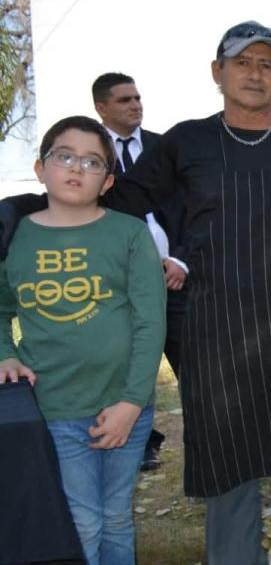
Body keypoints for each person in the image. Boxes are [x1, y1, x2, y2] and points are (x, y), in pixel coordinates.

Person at [0, 21, 271, 564]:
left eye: (267, 64)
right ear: (217, 73)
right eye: (242, 63)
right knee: (228, 472)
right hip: (217, 340)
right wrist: (22, 210)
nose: (255, 74)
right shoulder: (187, 141)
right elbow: (120, 197)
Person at [0, 115, 166, 565]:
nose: (77, 168)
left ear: (108, 181)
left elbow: (151, 322)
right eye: (65, 156)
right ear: (40, 168)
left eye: (93, 162)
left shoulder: (128, 234)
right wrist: (5, 354)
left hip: (125, 405)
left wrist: (132, 405)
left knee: (115, 517)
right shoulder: (14, 236)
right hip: (55, 407)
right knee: (83, 520)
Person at [91, 72, 186, 473]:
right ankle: (140, 445)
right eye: (124, 100)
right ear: (101, 108)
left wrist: (181, 259)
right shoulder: (90, 153)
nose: (135, 105)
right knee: (128, 370)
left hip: (175, 281)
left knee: (195, 366)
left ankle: (210, 442)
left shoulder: (165, 147)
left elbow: (189, 209)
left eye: (138, 98)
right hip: (121, 284)